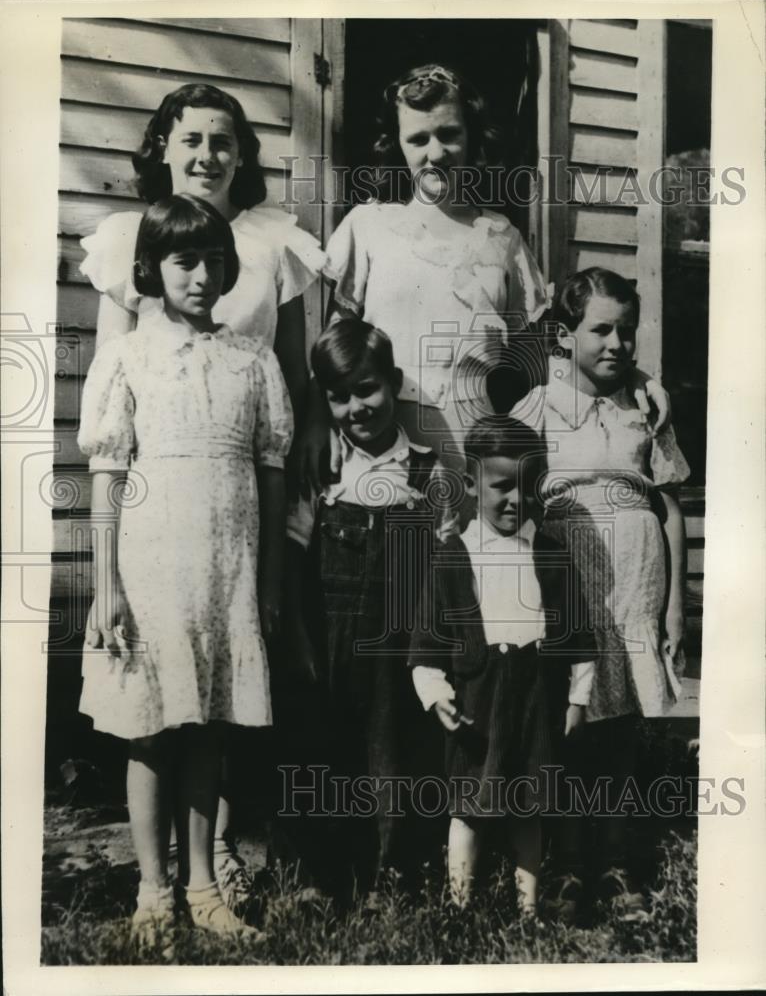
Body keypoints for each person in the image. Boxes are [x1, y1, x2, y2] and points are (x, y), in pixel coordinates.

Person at [79, 81, 324, 911]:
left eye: (225, 141)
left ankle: (209, 879)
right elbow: (109, 453)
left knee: (211, 714)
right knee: (151, 717)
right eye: (192, 140)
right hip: (151, 545)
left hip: (230, 540)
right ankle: (157, 892)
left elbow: (279, 436)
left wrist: (274, 572)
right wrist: (104, 582)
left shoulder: (255, 330)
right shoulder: (127, 317)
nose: (208, 155)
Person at [303, 63, 669, 489]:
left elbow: (542, 365)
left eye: (449, 134)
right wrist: (315, 421)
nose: (435, 153)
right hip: (380, 439)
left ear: (472, 135)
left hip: (473, 441)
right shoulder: (367, 226)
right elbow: (333, 348)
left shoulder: (502, 239)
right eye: (418, 139)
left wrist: (634, 379)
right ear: (397, 144)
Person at [510, 267, 689, 921]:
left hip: (636, 592)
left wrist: (674, 607)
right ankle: (564, 865)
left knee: (619, 735)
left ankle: (614, 865)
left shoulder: (646, 406)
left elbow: (669, 506)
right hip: (569, 586)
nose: (617, 343)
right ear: (564, 336)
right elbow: (507, 490)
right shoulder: (540, 405)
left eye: (628, 331)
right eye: (601, 329)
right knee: (567, 727)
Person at [284, 318, 457, 899]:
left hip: (400, 647)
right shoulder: (321, 473)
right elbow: (294, 565)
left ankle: (397, 877)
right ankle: (323, 878)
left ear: (396, 383)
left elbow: (448, 575)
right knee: (326, 751)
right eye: (338, 397)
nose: (357, 408)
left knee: (395, 759)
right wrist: (302, 642)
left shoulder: (429, 474)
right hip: (330, 644)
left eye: (367, 389)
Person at [408, 415, 595, 915]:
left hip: (537, 696)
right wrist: (436, 694)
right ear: (471, 484)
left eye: (529, 486)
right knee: (468, 807)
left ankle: (528, 910)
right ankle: (460, 909)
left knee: (528, 808)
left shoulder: (551, 553)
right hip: (476, 701)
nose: (517, 498)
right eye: (502, 486)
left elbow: (577, 636)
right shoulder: (453, 555)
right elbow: (427, 640)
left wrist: (578, 698)